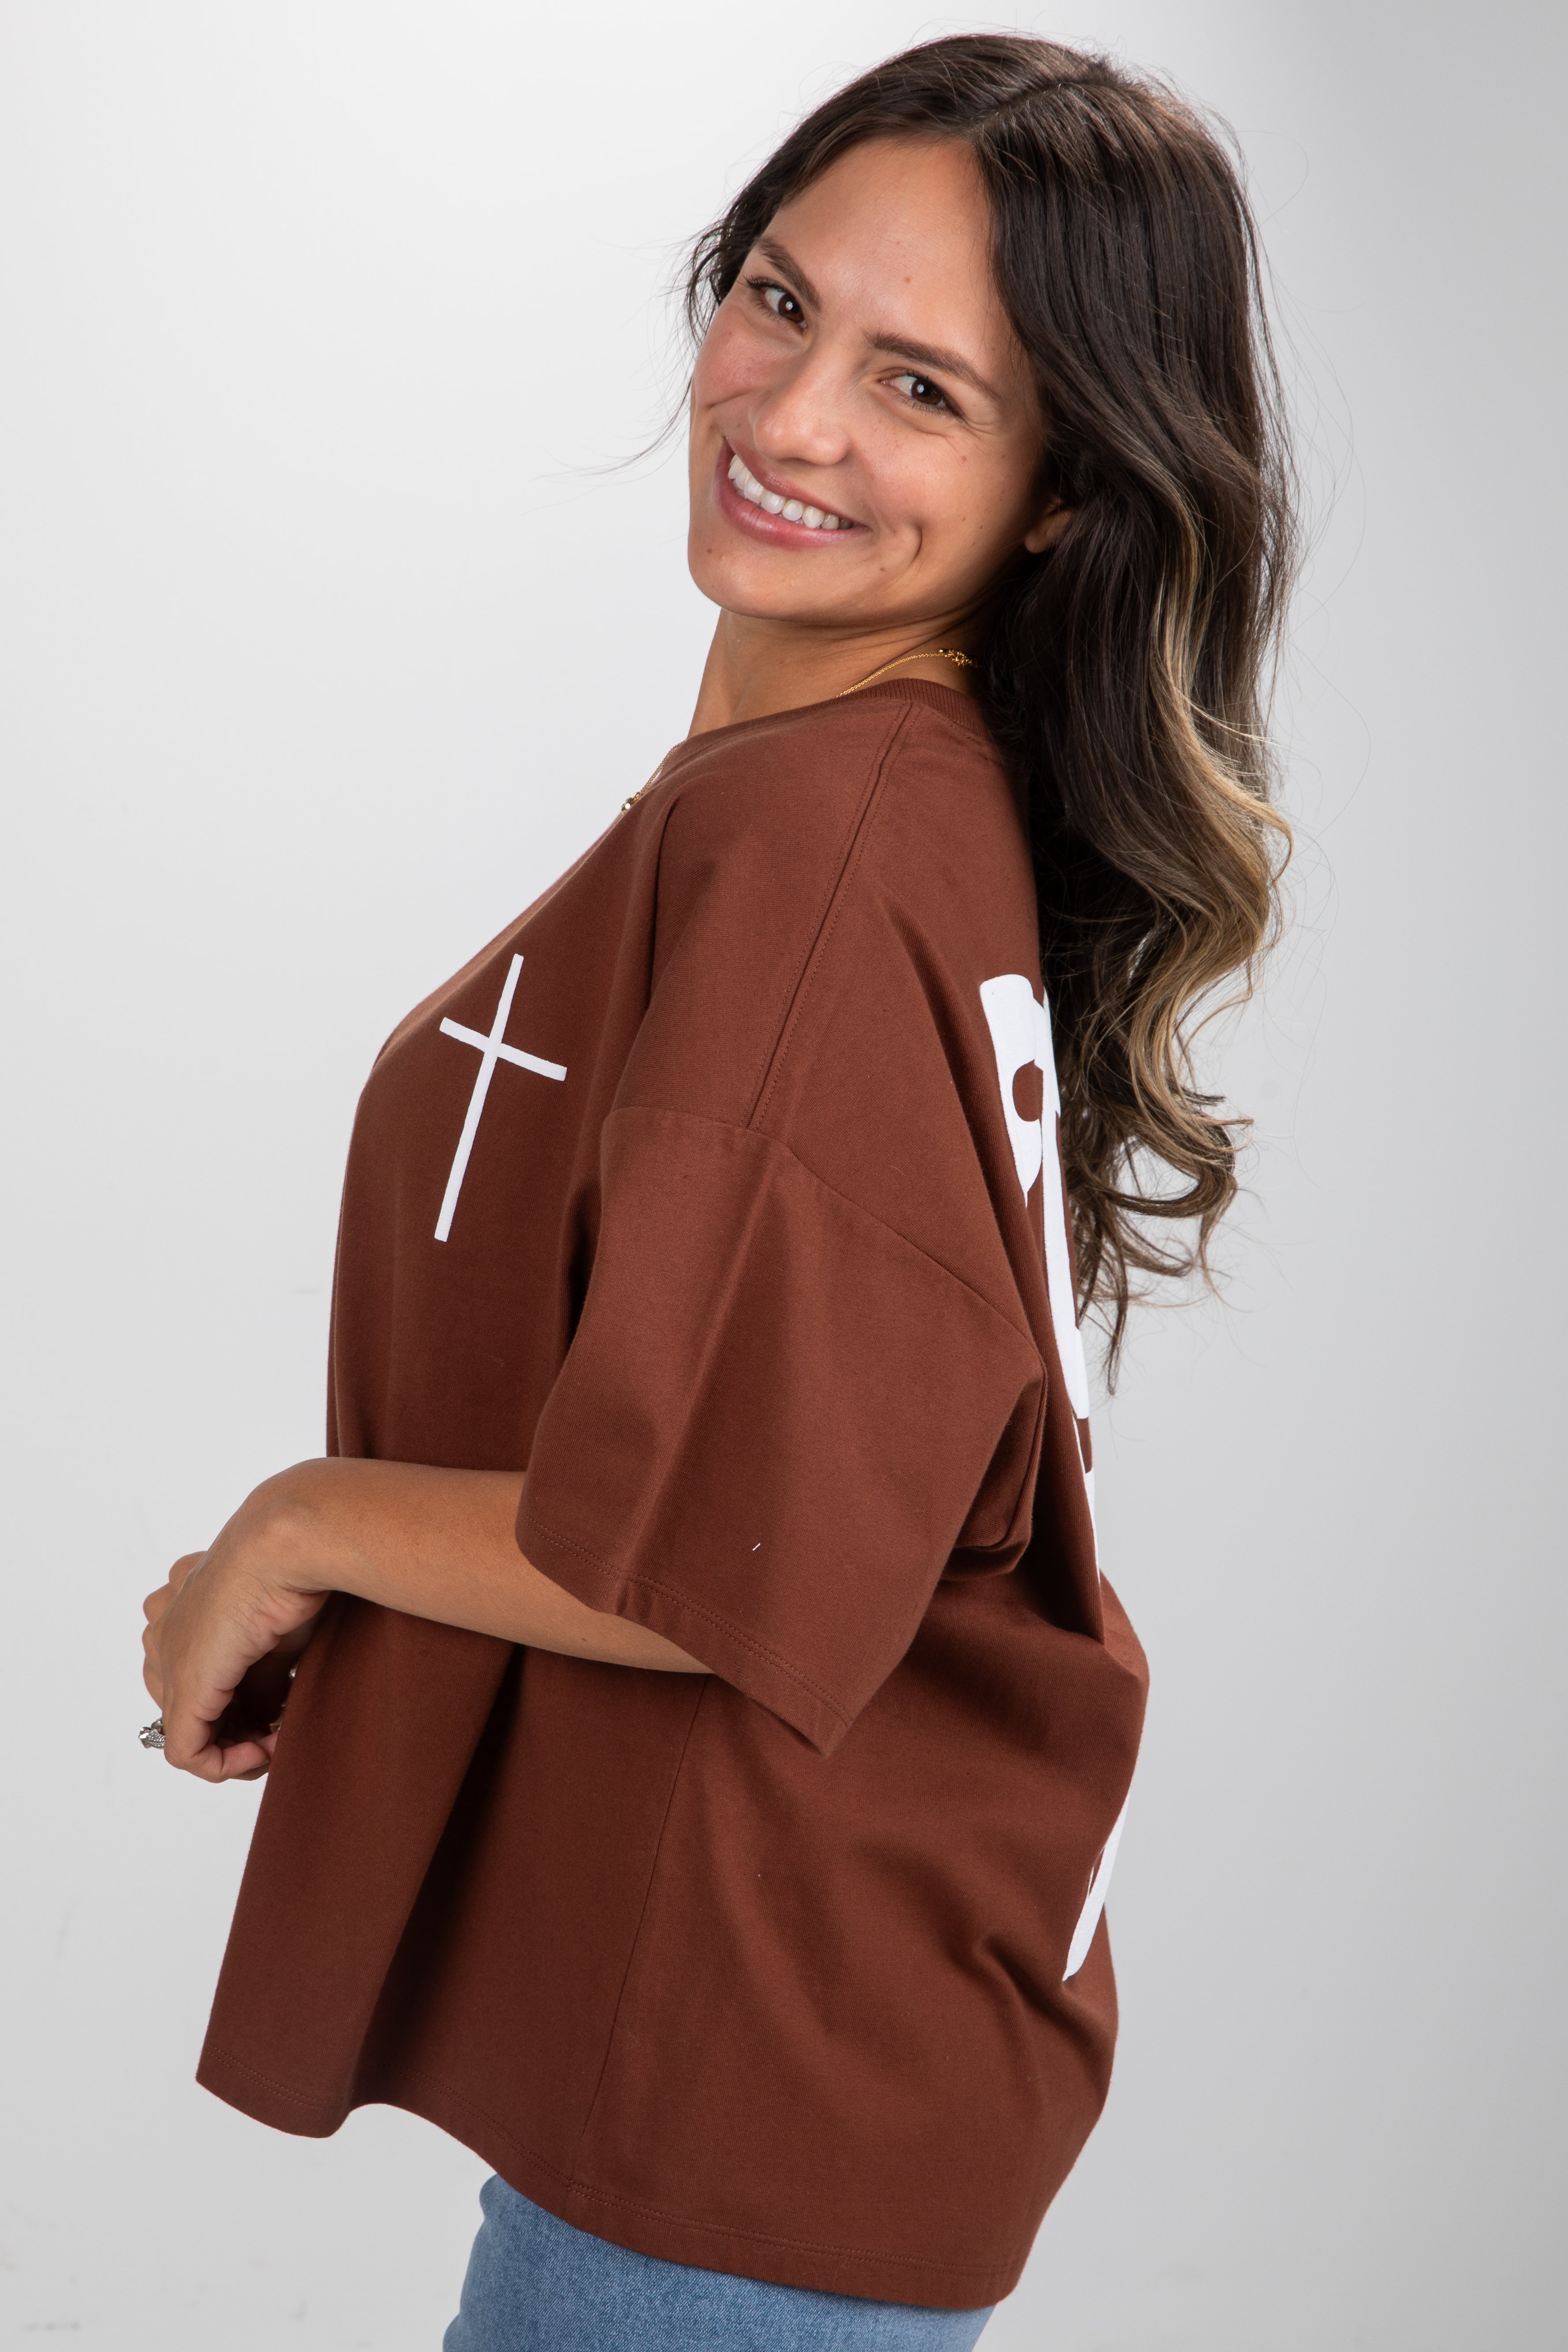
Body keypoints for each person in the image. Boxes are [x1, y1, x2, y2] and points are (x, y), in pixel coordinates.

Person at [140, 32, 1294, 2350]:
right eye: (774, 300)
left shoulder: (822, 840)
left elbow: (728, 1545)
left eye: (921, 389)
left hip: (740, 2119)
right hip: (742, 2077)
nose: (787, 418)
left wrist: (297, 1521)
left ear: (1068, 483)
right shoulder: (873, 804)